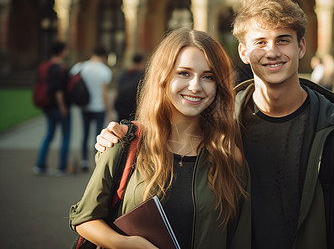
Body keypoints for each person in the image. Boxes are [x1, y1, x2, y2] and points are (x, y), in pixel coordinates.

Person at [95, 0, 334, 248]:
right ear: (243, 52)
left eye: (283, 40)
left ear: (302, 47)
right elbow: (168, 128)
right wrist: (125, 133)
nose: (272, 51)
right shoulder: (216, 123)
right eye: (260, 42)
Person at [69, 28, 250, 249]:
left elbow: (238, 237)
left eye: (208, 77)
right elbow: (84, 218)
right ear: (163, 76)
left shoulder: (228, 153)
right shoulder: (125, 142)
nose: (195, 86)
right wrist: (127, 244)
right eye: (184, 73)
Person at [71, 46, 112, 171]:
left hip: (85, 105)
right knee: (99, 135)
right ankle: (97, 162)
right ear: (104, 56)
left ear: (92, 53)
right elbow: (104, 94)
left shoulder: (80, 66)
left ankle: (84, 161)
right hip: (99, 107)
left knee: (85, 134)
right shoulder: (105, 71)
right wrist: (109, 110)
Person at [34, 41, 71, 176]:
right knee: (66, 136)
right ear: (61, 51)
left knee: (49, 135)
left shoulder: (45, 66)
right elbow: (58, 91)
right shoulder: (59, 68)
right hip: (59, 106)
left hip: (47, 106)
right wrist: (63, 108)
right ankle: (62, 167)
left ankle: (40, 165)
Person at [114, 53, 145, 121]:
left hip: (121, 107)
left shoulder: (124, 73)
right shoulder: (142, 75)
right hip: (133, 109)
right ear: (141, 62)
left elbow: (117, 90)